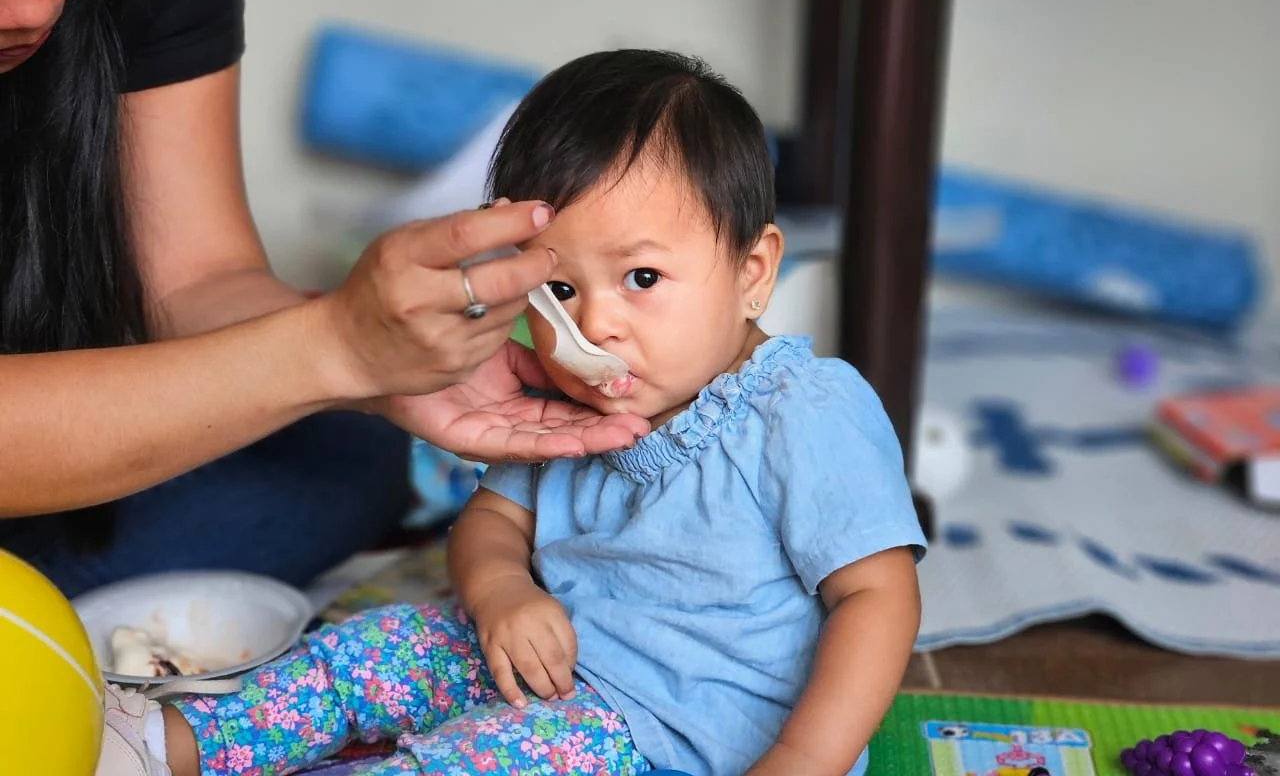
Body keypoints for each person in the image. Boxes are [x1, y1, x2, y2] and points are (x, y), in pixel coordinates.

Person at [108, 50, 927, 776]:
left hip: (679, 735)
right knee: (366, 653)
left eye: (641, 279)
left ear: (753, 272)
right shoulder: (559, 397)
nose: (597, 324)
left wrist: (804, 761)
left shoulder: (802, 410)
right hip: (543, 666)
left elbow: (876, 599)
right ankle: (165, 749)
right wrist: (501, 589)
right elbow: (492, 522)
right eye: (561, 291)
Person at [0, 0, 646, 598]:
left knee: (345, 449)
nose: (30, 3)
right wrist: (329, 351)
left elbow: (195, 280)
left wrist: (380, 366)